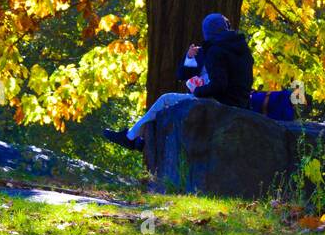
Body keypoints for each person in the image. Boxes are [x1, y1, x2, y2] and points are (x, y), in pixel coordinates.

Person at [104, 14, 254, 151]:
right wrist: (190, 60)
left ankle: (131, 138)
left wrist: (198, 91)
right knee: (171, 106)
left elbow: (219, 85)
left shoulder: (217, 50)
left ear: (208, 33)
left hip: (222, 102)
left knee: (166, 100)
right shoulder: (241, 49)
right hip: (240, 102)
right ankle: (142, 140)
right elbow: (183, 74)